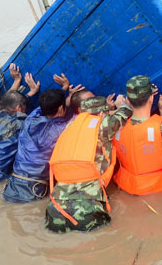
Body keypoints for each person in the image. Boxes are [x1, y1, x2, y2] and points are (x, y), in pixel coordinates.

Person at [45, 95, 132, 233]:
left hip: (55, 207)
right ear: (102, 113)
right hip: (87, 209)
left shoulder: (69, 126)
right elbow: (124, 114)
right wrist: (122, 104)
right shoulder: (102, 125)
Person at [2, 76, 81, 203]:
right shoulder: (65, 128)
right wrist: (69, 93)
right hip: (33, 191)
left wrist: (64, 90)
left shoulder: (31, 119)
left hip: (12, 185)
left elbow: (52, 109)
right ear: (61, 108)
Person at [113, 75, 162, 195]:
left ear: (128, 101)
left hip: (124, 186)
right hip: (154, 189)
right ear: (151, 99)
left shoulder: (115, 125)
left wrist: (121, 107)